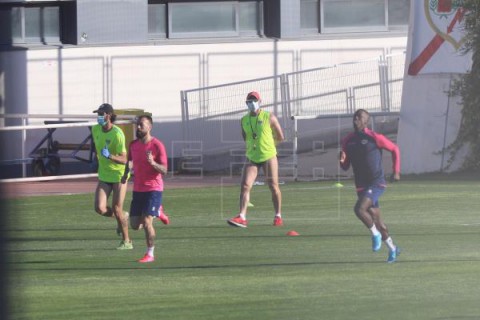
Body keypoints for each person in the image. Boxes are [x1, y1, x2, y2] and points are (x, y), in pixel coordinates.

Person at [339, 109, 401, 263]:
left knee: (359, 209)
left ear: (366, 121)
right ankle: (393, 248)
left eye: (359, 118)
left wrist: (396, 171)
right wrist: (341, 161)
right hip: (361, 185)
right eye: (354, 117)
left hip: (376, 182)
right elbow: (345, 167)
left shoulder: (374, 137)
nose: (355, 120)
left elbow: (395, 149)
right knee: (378, 221)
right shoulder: (347, 140)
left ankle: (375, 234)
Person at [227, 91, 285, 228]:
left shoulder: (269, 117)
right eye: (249, 101)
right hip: (252, 157)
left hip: (268, 156)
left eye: (254, 100)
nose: (252, 103)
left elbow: (280, 136)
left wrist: (270, 146)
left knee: (273, 185)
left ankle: (278, 216)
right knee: (245, 185)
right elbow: (245, 137)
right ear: (246, 103)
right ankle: (242, 216)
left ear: (260, 101)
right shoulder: (244, 120)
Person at [122, 115, 168, 263]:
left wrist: (153, 163)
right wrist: (125, 174)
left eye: (141, 125)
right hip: (138, 189)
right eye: (137, 125)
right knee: (135, 225)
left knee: (148, 222)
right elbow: (129, 161)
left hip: (154, 189)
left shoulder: (157, 145)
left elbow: (164, 170)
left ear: (150, 127)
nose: (138, 127)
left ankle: (150, 254)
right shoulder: (133, 145)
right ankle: (158, 211)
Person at [92, 103, 132, 250]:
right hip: (104, 174)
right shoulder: (95, 129)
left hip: (119, 175)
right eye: (98, 114)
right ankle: (123, 216)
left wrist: (110, 156)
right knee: (99, 208)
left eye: (101, 114)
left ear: (109, 115)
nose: (98, 117)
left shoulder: (117, 134)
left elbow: (124, 159)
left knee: (116, 208)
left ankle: (127, 241)